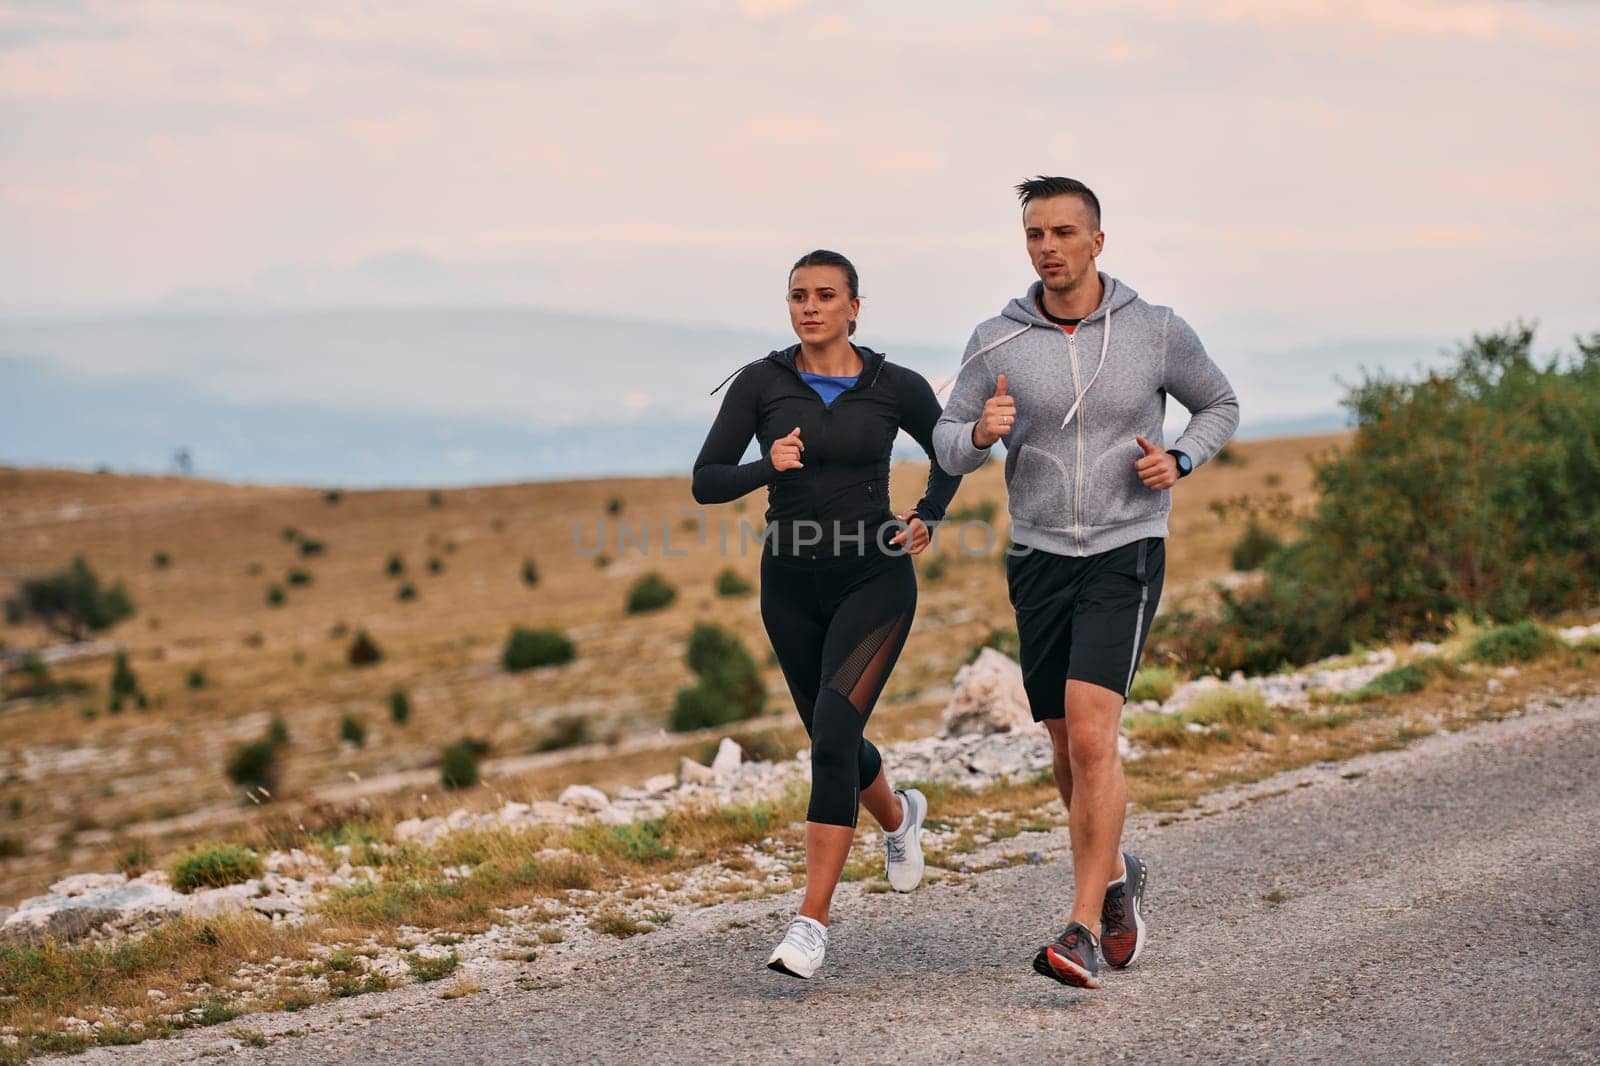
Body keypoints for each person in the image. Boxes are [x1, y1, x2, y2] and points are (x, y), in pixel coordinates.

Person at [933, 177, 1239, 989]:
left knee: (1095, 732)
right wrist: (976, 433)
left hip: (1124, 547)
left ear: (1097, 241)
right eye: (1036, 234)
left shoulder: (1155, 330)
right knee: (1067, 744)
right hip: (1037, 556)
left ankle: (1076, 929)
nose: (1049, 247)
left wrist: (1178, 459)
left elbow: (1218, 404)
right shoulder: (996, 340)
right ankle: (1113, 883)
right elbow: (944, 442)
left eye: (1065, 232)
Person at [692, 249, 963, 979]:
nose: (809, 307)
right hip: (789, 584)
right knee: (830, 736)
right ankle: (900, 818)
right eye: (797, 296)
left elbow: (950, 453)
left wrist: (929, 513)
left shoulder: (892, 385)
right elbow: (705, 481)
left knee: (834, 734)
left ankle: (810, 922)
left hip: (875, 576)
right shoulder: (761, 384)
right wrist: (766, 465)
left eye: (825, 296)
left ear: (853, 307)